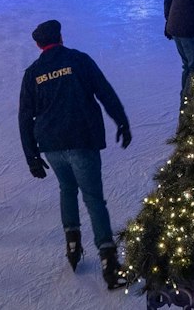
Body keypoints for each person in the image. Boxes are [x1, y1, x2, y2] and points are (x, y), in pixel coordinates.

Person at [19, 19, 132, 288]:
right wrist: (121, 121)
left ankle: (72, 245)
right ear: (60, 37)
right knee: (94, 199)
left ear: (38, 44)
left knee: (67, 190)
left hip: (52, 146)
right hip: (81, 140)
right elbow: (104, 91)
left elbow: (25, 117)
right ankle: (109, 262)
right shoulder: (79, 60)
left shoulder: (32, 73)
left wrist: (32, 156)